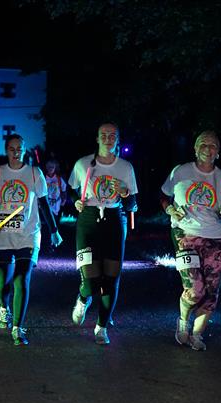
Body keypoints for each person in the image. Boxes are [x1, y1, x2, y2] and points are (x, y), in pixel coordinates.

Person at [159, 130, 221, 351]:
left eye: (213, 146)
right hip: (185, 234)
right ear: (195, 148)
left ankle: (197, 334)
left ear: (218, 152)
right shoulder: (181, 172)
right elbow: (163, 196)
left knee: (210, 293)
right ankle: (183, 320)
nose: (208, 149)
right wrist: (170, 209)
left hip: (215, 237)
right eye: (203, 144)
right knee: (195, 289)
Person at [0, 134, 62, 345]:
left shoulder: (34, 173)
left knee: (22, 278)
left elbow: (44, 204)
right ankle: (4, 307)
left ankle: (18, 328)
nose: (16, 152)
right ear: (6, 150)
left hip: (28, 234)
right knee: (3, 282)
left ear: (24, 150)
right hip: (2, 234)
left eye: (19, 149)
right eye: (12, 149)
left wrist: (54, 230)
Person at [68, 123, 138, 345]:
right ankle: (83, 298)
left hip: (114, 221)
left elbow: (132, 203)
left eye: (112, 135)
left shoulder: (125, 167)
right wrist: (76, 202)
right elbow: (71, 190)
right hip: (88, 221)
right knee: (90, 282)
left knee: (110, 279)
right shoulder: (83, 164)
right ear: (97, 138)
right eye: (104, 135)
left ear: (117, 140)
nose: (108, 138)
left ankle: (102, 326)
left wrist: (124, 192)